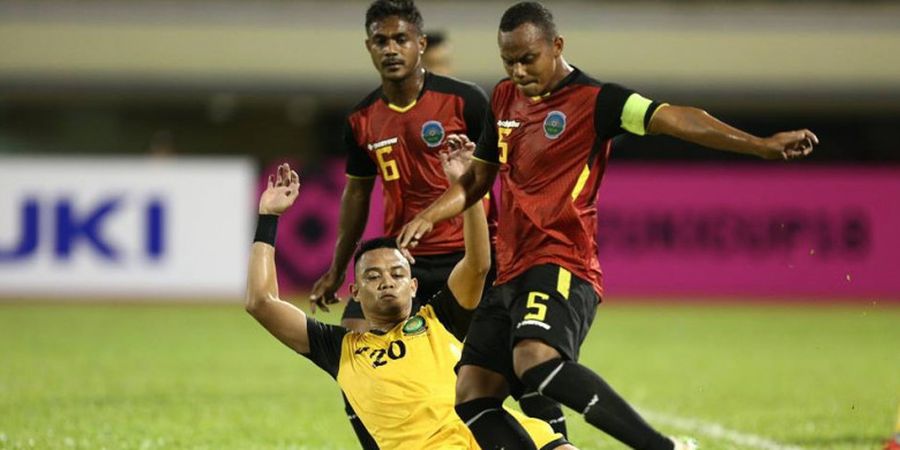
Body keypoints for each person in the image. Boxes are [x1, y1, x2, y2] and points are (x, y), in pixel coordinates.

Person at [398, 2, 818, 450]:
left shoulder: (598, 101)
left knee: (535, 360)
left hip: (559, 259)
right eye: (509, 61)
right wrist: (429, 213)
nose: (518, 70)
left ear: (556, 46)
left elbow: (675, 118)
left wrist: (759, 145)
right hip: (508, 268)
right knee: (473, 394)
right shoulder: (503, 98)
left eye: (528, 58)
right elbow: (479, 177)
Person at [310, 0, 569, 442]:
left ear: (420, 44)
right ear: (368, 47)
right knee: (355, 355)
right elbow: (357, 191)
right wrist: (337, 268)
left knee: (519, 360)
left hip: (469, 255)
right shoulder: (360, 119)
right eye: (381, 40)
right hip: (404, 262)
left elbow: (483, 177)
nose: (391, 49)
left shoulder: (465, 100)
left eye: (400, 39)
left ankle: (559, 440)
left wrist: (431, 215)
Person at [246, 162, 573, 450]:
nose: (387, 281)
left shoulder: (440, 319)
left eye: (397, 273)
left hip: (495, 432)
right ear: (356, 292)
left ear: (413, 285)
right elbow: (261, 302)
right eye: (373, 276)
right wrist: (269, 218)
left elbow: (477, 265)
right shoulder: (338, 348)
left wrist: (468, 190)